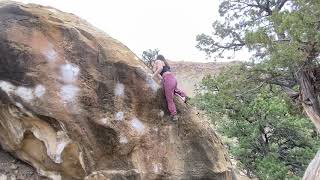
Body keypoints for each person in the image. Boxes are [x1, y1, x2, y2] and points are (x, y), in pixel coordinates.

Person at [152, 55, 188, 121]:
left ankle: (174, 114)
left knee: (169, 98)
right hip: (172, 78)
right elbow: (162, 76)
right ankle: (185, 96)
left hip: (168, 79)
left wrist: (152, 76)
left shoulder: (158, 61)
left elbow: (160, 69)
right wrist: (162, 81)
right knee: (175, 90)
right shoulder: (165, 63)